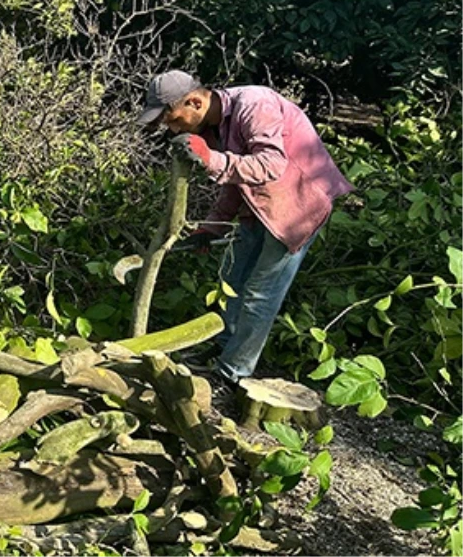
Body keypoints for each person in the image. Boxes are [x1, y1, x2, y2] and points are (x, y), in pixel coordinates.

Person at [138, 70, 354, 384]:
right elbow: (234, 182)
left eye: (172, 119)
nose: (171, 129)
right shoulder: (216, 124)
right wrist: (211, 228)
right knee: (232, 281)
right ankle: (224, 348)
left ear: (195, 102)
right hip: (259, 206)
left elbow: (271, 165)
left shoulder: (255, 104)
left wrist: (211, 159)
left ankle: (232, 374)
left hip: (297, 207)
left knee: (259, 295)